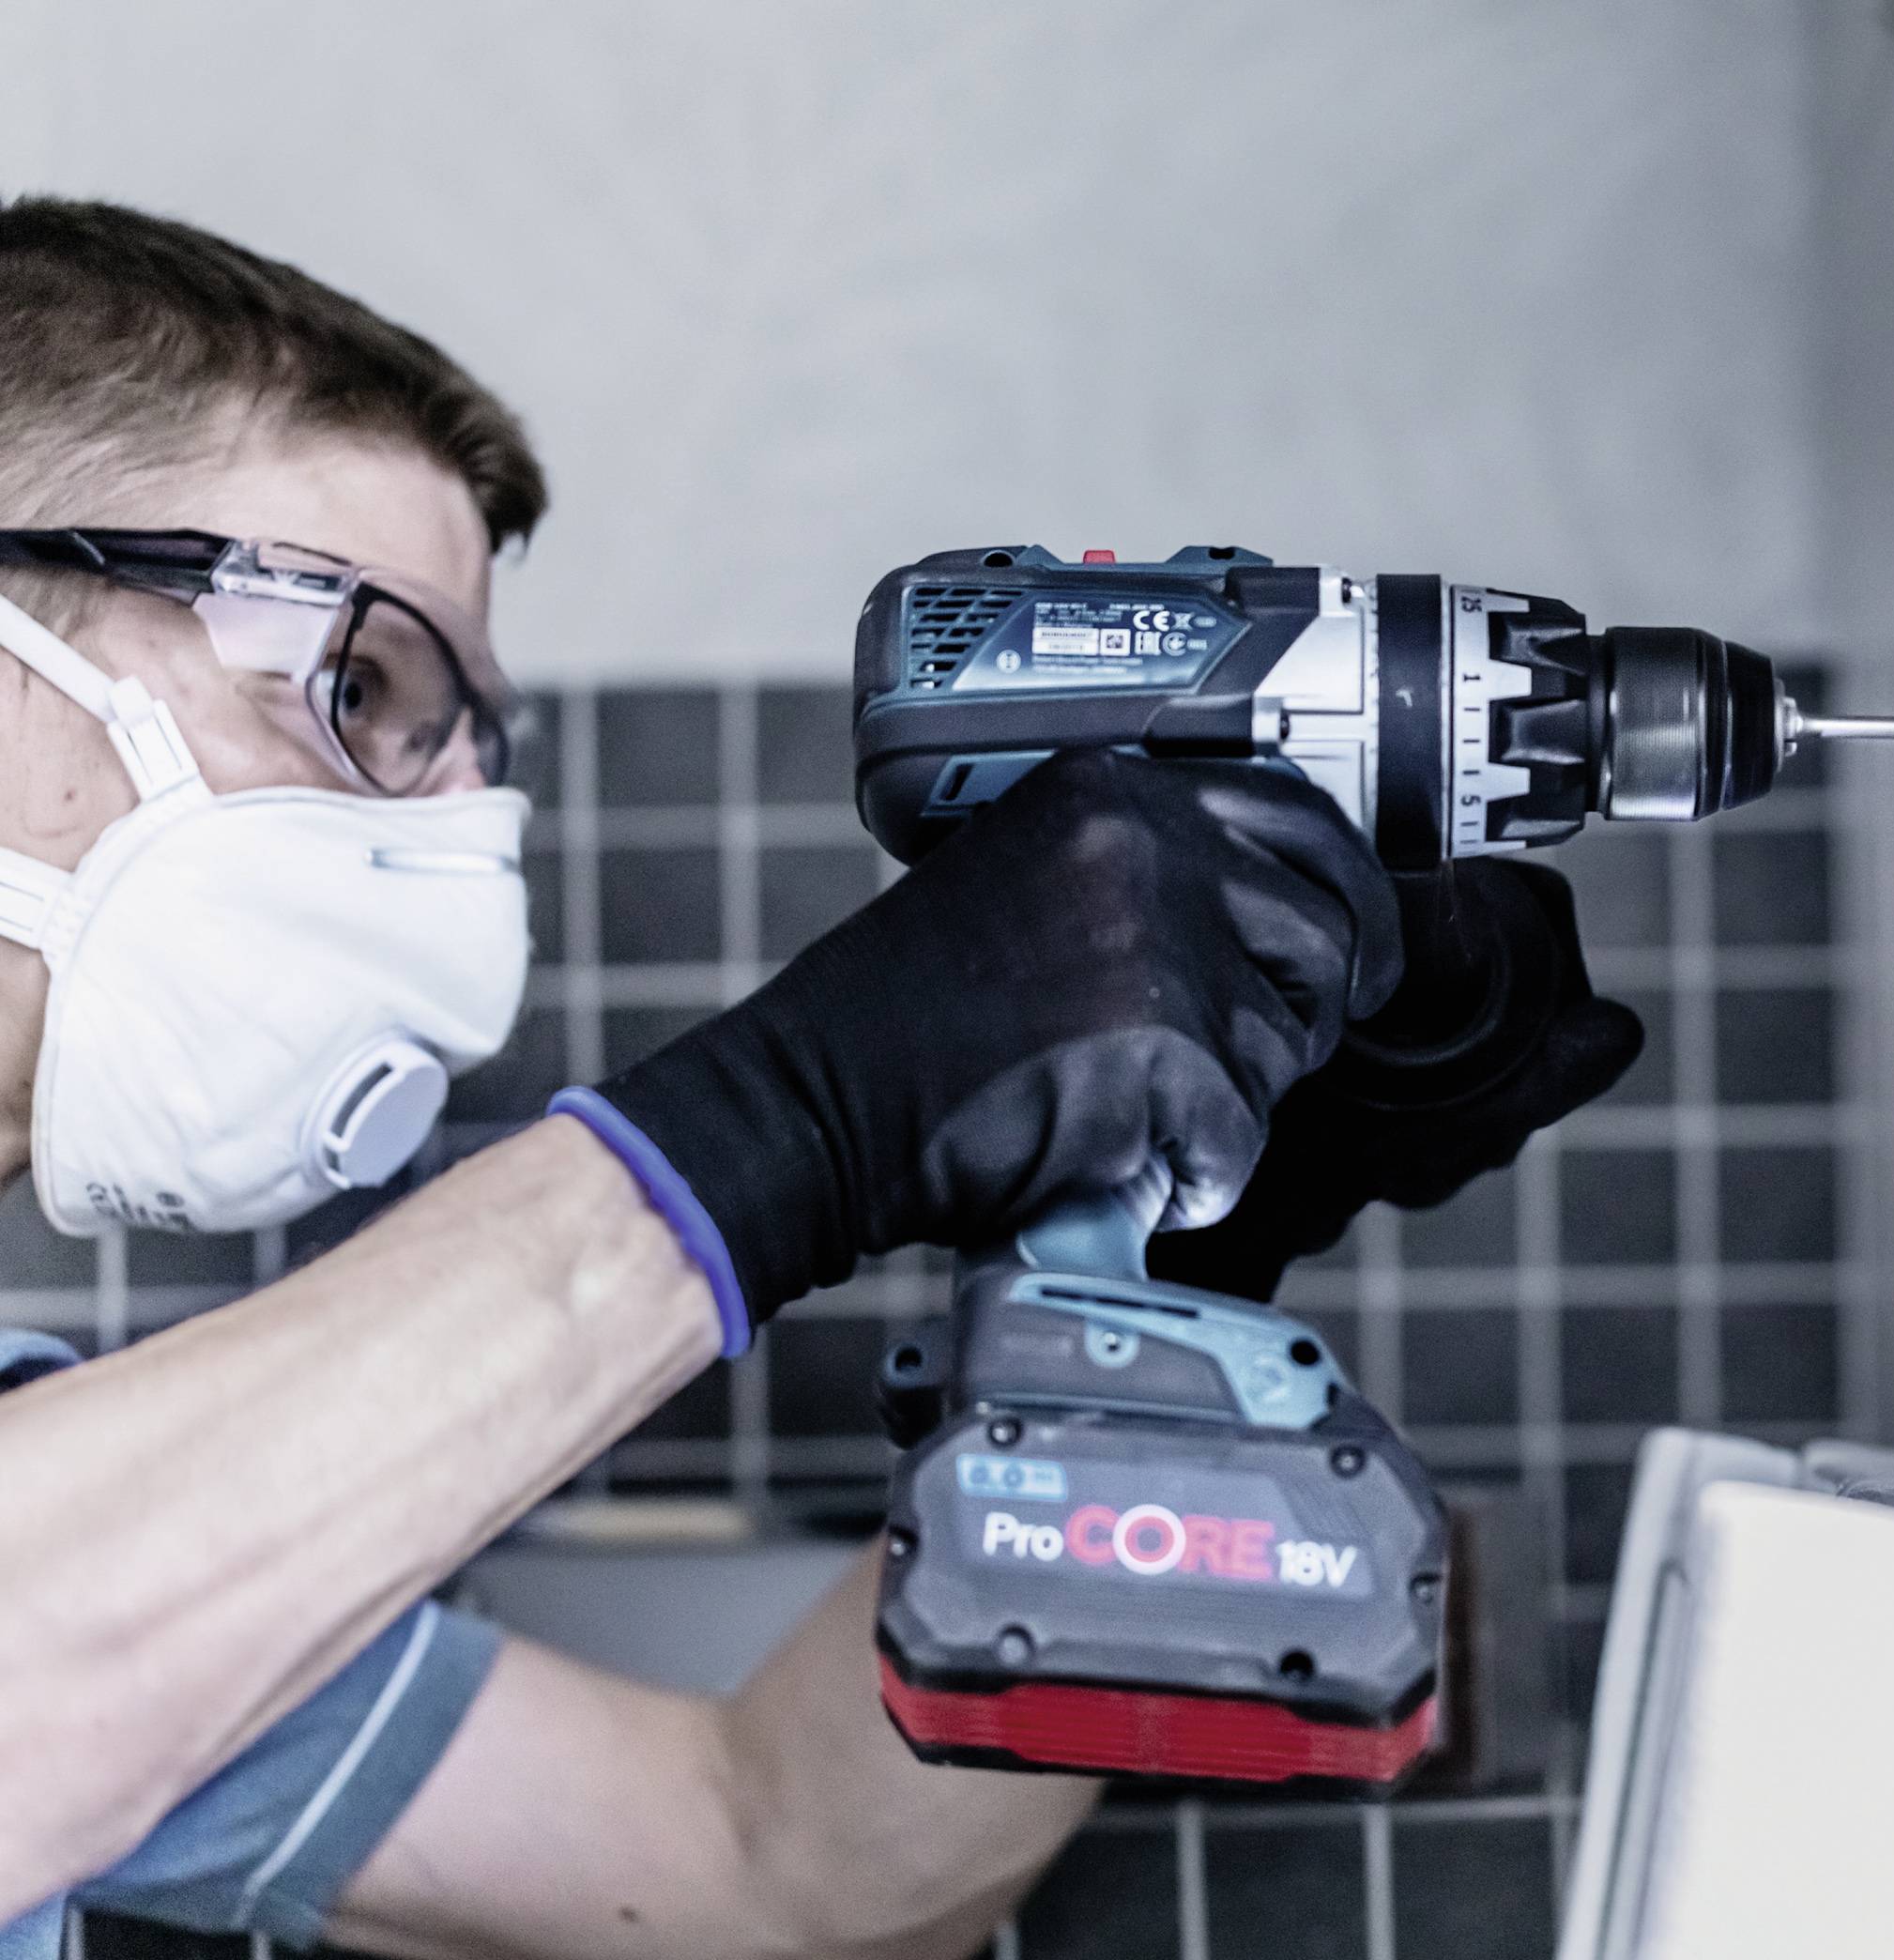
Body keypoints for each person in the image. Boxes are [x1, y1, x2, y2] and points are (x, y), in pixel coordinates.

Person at [0, 200, 1641, 1959]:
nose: (446, 872)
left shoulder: (85, 1493)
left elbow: (770, 1869)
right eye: (354, 682)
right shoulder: (88, 1579)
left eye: (458, 754)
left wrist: (1177, 1270)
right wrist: (787, 1125)